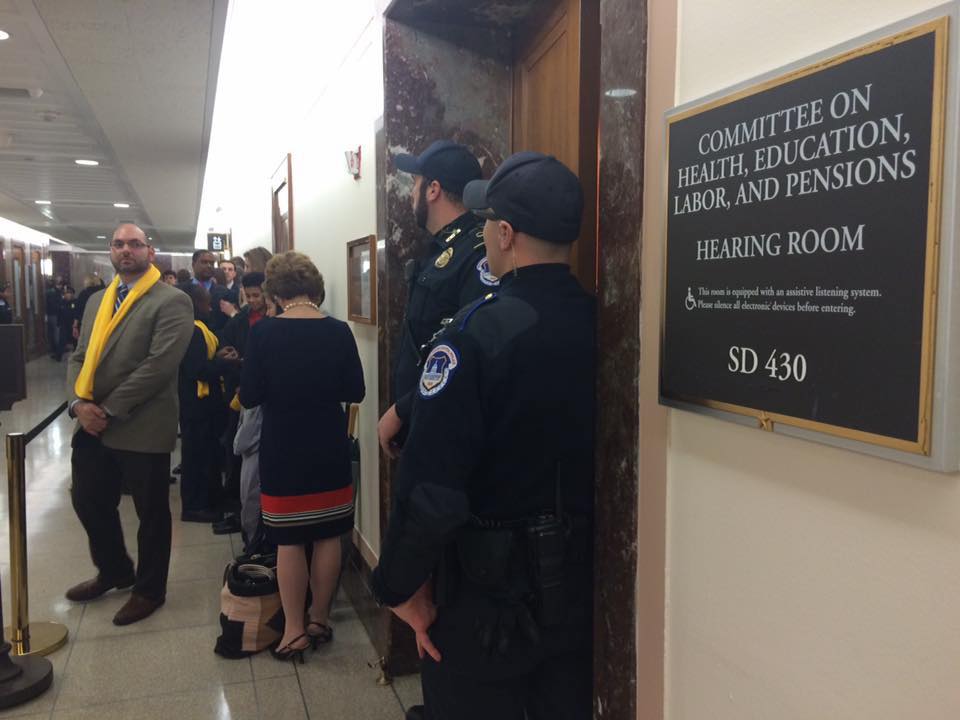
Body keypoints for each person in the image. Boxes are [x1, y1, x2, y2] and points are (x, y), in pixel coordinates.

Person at [372, 152, 596, 720]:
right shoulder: (601, 320)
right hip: (576, 587)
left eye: (488, 221)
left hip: (486, 598)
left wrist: (399, 587)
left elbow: (432, 489)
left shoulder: (475, 335)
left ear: (505, 234)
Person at [65, 223, 194, 626]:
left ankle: (149, 590)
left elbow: (159, 366)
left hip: (142, 423)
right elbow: (79, 356)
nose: (126, 250)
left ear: (149, 252)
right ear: (110, 251)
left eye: (135, 244)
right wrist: (78, 405)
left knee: (150, 513)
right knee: (87, 499)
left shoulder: (172, 301)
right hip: (91, 423)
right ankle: (116, 570)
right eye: (119, 244)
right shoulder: (97, 301)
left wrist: (106, 409)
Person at [240, 251, 364, 662]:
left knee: (289, 541)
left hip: (283, 447)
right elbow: (356, 391)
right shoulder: (339, 331)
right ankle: (319, 620)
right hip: (328, 444)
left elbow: (251, 395)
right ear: (315, 287)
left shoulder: (263, 334)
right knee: (329, 534)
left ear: (275, 291)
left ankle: (293, 632)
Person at [378, 140, 498, 459]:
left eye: (415, 184)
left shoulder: (476, 254)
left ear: (433, 190)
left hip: (450, 436)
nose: (410, 194)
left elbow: (472, 354)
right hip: (425, 424)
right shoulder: (442, 250)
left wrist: (403, 409)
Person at [213, 271, 268, 536]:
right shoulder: (240, 320)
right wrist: (227, 357)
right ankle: (238, 512)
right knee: (236, 455)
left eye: (258, 295)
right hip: (239, 396)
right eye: (249, 296)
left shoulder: (275, 319)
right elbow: (223, 346)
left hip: (262, 399)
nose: (253, 301)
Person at [177, 284, 238, 522]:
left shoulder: (198, 328)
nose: (210, 308)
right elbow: (197, 370)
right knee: (197, 456)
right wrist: (224, 364)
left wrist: (218, 356)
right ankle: (195, 505)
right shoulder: (192, 331)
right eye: (206, 303)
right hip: (196, 404)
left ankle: (212, 498)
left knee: (209, 454)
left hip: (204, 404)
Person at [192, 250, 230, 332]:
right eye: (204, 262)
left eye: (212, 263)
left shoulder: (225, 292)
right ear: (193, 264)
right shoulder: (182, 290)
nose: (209, 266)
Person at [57, 286, 78, 360]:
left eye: (69, 293)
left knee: (75, 341)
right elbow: (59, 313)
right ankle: (58, 355)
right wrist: (58, 323)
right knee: (62, 340)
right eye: (66, 293)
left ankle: (77, 356)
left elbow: (77, 313)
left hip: (72, 324)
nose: (67, 295)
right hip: (64, 324)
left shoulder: (75, 302)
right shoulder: (62, 302)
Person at [44, 276, 63, 359]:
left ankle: (54, 351)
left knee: (52, 333)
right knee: (56, 333)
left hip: (51, 314)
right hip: (55, 315)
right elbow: (56, 304)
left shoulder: (50, 292)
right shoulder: (55, 293)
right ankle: (57, 351)